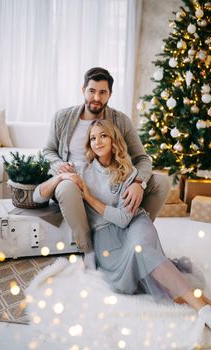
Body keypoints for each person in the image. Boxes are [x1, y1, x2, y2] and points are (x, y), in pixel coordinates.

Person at [34, 119, 211, 341]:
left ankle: (207, 314)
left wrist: (89, 197)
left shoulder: (128, 172)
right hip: (105, 236)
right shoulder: (81, 170)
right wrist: (61, 177)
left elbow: (123, 219)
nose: (97, 142)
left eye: (103, 136)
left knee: (142, 250)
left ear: (114, 140)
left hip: (134, 224)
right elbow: (37, 196)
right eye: (92, 138)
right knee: (142, 278)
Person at [43, 67, 170, 260]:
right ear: (83, 90)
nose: (96, 97)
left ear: (110, 94)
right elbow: (48, 150)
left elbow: (142, 158)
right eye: (91, 91)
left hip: (111, 182)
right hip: (76, 181)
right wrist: (59, 165)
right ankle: (87, 248)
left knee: (161, 182)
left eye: (103, 92)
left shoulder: (120, 121)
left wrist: (139, 183)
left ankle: (136, 236)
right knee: (66, 188)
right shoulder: (62, 117)